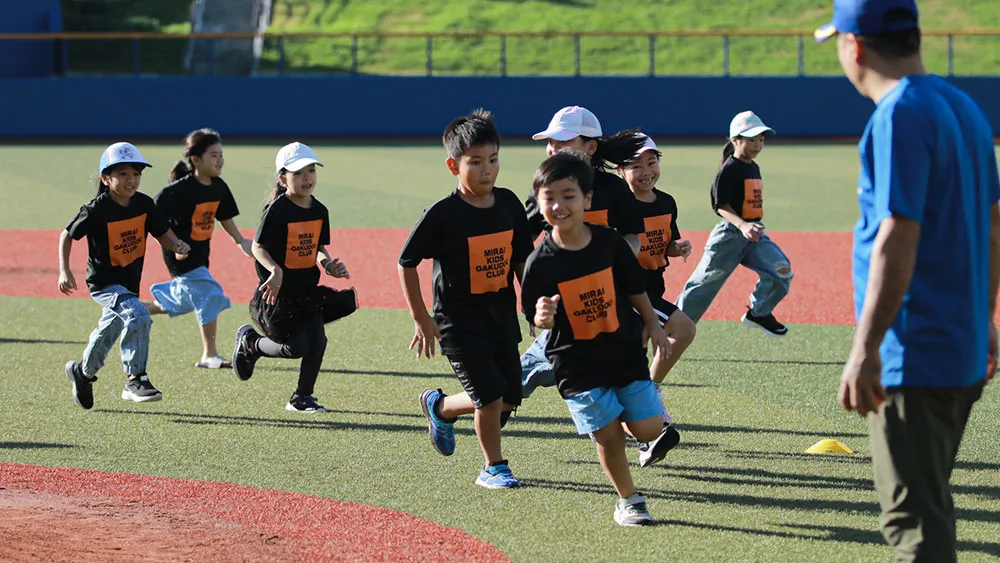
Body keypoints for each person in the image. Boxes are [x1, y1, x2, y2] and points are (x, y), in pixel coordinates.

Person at [817, 1, 999, 560]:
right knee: (930, 502)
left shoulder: (899, 113)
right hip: (959, 344)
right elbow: (993, 226)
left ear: (854, 46)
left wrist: (866, 348)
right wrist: (985, 316)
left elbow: (897, 235)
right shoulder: (963, 105)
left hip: (913, 353)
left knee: (915, 523)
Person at [520, 150, 671, 526]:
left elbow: (635, 288)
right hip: (577, 362)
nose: (559, 205)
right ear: (538, 203)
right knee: (608, 436)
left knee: (650, 428)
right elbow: (534, 314)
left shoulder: (609, 242)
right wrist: (542, 317)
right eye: (549, 197)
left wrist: (653, 324)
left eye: (568, 196)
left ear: (587, 199)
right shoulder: (540, 262)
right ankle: (629, 500)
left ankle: (614, 418)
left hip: (623, 350)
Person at [399, 108, 533, 489]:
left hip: (500, 317)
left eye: (493, 160)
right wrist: (421, 317)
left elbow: (521, 260)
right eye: (475, 162)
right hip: (458, 323)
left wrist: (532, 303)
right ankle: (494, 467)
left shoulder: (509, 204)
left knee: (509, 398)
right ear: (453, 165)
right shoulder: (443, 215)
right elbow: (406, 262)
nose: (487, 170)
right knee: (488, 399)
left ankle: (439, 407)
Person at [520, 106, 646, 401]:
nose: (553, 148)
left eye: (563, 141)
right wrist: (535, 300)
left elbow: (632, 235)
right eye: (551, 141)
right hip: (564, 305)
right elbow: (523, 243)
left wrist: (614, 260)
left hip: (605, 299)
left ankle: (644, 417)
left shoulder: (613, 188)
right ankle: (446, 406)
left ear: (590, 147)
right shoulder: (545, 191)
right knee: (513, 387)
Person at [60, 142, 191, 409]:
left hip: (129, 282)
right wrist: (64, 270)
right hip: (103, 283)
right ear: (105, 178)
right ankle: (136, 378)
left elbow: (162, 233)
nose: (131, 180)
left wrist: (176, 245)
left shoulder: (144, 204)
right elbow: (67, 234)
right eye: (122, 174)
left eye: (136, 173)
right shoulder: (96, 209)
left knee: (109, 330)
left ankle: (83, 373)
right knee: (138, 315)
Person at [231, 142, 358, 413]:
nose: (307, 178)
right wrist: (275, 270)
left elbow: (317, 247)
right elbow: (257, 247)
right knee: (296, 347)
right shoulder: (277, 210)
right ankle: (251, 344)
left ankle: (302, 397)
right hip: (278, 294)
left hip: (307, 291)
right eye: (298, 173)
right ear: (283, 179)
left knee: (318, 341)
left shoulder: (319, 210)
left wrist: (327, 265)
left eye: (311, 170)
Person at [674, 111, 793, 337]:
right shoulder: (729, 169)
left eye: (761, 139)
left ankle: (759, 313)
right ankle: (675, 324)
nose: (758, 145)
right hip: (730, 236)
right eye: (752, 139)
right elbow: (720, 204)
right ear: (736, 140)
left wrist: (750, 227)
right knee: (704, 284)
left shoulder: (753, 167)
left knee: (782, 271)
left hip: (754, 234)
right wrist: (742, 226)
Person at [616, 134, 697, 466]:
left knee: (632, 368)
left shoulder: (666, 202)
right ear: (620, 171)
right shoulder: (620, 205)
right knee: (683, 330)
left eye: (651, 162)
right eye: (636, 165)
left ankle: (648, 416)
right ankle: (650, 423)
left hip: (653, 290)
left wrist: (677, 248)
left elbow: (667, 242)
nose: (646, 171)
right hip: (630, 295)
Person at [143, 128, 254, 369]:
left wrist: (240, 240)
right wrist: (174, 243)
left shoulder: (218, 187)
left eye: (221, 154)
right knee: (210, 294)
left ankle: (133, 310)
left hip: (201, 255)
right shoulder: (178, 191)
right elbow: (153, 217)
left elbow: (224, 216)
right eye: (213, 155)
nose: (220, 159)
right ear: (196, 159)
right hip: (181, 257)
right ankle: (209, 354)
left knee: (185, 300)